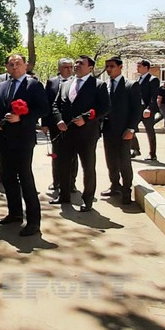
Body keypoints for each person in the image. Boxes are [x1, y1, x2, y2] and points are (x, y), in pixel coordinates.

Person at [0, 54, 49, 236]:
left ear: (25, 66)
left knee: (25, 178)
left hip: (23, 139)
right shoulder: (3, 85)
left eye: (18, 64)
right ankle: (15, 213)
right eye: (11, 64)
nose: (15, 67)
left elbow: (43, 108)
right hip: (4, 138)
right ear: (7, 67)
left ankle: (34, 222)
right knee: (7, 177)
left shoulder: (34, 85)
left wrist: (21, 118)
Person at [50, 55, 110, 212]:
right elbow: (56, 105)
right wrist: (59, 120)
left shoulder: (98, 85)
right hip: (66, 133)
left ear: (90, 68)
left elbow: (105, 108)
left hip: (87, 134)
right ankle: (64, 195)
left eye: (80, 63)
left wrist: (86, 118)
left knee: (88, 167)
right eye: (76, 63)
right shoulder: (66, 84)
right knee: (63, 166)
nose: (76, 65)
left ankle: (88, 200)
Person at [100, 57, 140, 205]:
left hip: (124, 131)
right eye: (107, 66)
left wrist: (131, 128)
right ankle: (114, 185)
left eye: (111, 66)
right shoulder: (105, 85)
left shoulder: (131, 85)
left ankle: (126, 191)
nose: (109, 69)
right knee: (111, 161)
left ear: (120, 67)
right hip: (108, 130)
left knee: (124, 162)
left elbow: (137, 109)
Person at [41, 58, 79, 194]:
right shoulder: (52, 82)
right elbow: (47, 103)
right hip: (55, 125)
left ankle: (71, 183)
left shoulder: (77, 82)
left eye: (71, 67)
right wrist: (44, 123)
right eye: (65, 67)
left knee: (73, 156)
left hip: (72, 125)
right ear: (59, 68)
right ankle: (56, 181)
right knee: (57, 154)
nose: (69, 69)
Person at [131, 59, 159, 160]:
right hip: (138, 109)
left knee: (149, 131)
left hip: (147, 110)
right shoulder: (138, 79)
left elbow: (153, 96)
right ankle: (135, 149)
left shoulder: (153, 79)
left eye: (139, 66)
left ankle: (152, 154)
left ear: (146, 67)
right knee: (130, 128)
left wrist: (149, 109)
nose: (137, 68)